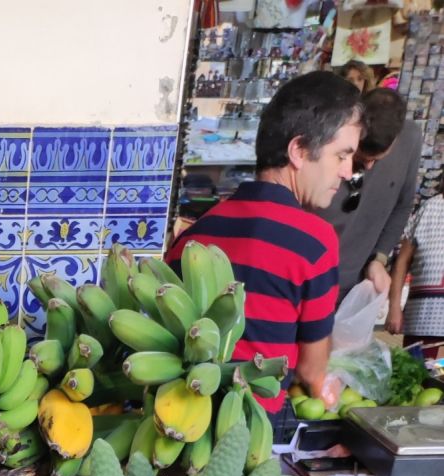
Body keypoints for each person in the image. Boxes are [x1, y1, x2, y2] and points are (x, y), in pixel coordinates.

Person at [166, 71, 362, 413]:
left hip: (181, 420)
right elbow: (311, 371)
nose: (348, 172)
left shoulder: (195, 236)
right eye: (341, 155)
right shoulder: (314, 242)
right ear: (299, 150)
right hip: (250, 434)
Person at [320, 87, 422, 297]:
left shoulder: (410, 138)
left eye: (375, 159)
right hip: (312, 278)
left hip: (356, 285)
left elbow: (402, 206)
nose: (367, 166)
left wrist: (380, 258)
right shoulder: (331, 133)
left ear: (396, 138)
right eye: (361, 157)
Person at [388, 182, 444, 359]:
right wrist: (394, 307)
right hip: (423, 319)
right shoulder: (430, 208)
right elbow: (401, 262)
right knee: (417, 380)